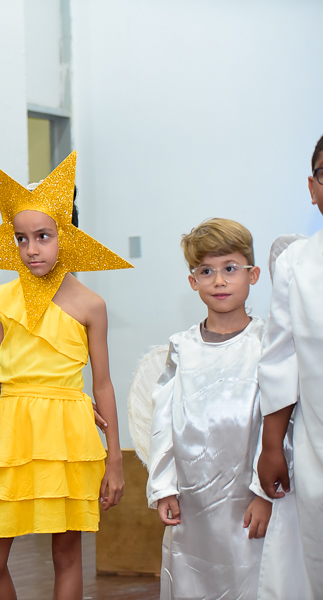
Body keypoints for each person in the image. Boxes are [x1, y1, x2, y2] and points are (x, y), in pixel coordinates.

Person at [0, 152, 129, 600]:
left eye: (43, 237)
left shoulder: (91, 305)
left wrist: (114, 458)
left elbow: (103, 383)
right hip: (13, 432)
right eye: (21, 238)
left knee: (66, 553)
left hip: (68, 436)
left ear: (68, 237)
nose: (31, 249)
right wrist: (47, 391)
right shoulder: (2, 300)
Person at [146, 218, 271, 599]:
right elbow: (163, 421)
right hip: (192, 502)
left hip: (248, 498)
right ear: (192, 281)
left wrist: (264, 493)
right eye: (206, 271)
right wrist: (164, 487)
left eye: (230, 269)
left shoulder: (267, 343)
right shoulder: (182, 347)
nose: (219, 281)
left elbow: (279, 421)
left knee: (252, 579)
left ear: (253, 275)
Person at [257, 133, 323, 598]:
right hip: (318, 445)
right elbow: (281, 361)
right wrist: (271, 447)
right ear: (313, 187)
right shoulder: (297, 264)